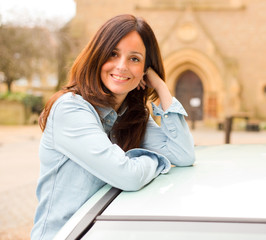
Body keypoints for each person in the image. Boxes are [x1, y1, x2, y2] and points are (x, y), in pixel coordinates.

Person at [31, 14, 195, 240]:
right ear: (97, 56)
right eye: (113, 54)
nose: (122, 66)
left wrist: (160, 87)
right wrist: (157, 161)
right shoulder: (70, 110)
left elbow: (184, 154)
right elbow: (127, 176)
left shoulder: (131, 115)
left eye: (135, 59)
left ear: (145, 71)